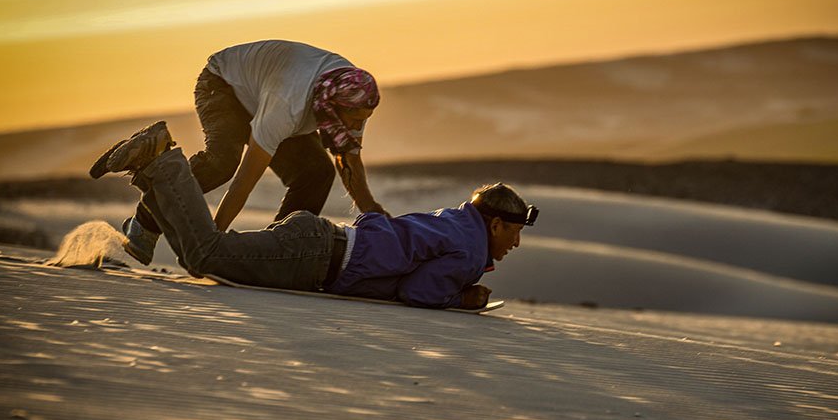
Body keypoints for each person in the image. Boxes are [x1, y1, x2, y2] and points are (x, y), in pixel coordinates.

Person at [92, 122, 537, 309]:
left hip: (320, 243)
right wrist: (463, 298)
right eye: (514, 232)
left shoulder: (455, 222)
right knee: (207, 257)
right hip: (315, 256)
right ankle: (164, 160)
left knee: (203, 257)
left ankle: (155, 167)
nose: (515, 243)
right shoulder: (469, 248)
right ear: (495, 224)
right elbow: (419, 292)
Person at [91, 40, 387, 266]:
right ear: (334, 105)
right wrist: (211, 246)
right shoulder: (287, 105)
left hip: (264, 89)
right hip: (223, 83)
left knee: (317, 173)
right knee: (224, 163)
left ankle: (278, 252)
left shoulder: (350, 94)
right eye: (356, 119)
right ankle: (144, 221)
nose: (360, 125)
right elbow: (244, 183)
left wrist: (375, 215)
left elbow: (348, 162)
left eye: (365, 118)